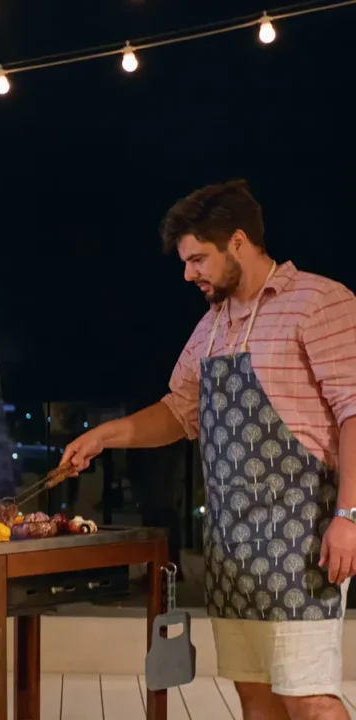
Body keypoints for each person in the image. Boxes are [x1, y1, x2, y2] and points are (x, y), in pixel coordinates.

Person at [62, 179, 356, 720]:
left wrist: (349, 516)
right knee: (254, 694)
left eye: (198, 259)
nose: (188, 273)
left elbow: (354, 412)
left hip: (302, 541)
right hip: (231, 548)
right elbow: (177, 412)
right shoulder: (212, 326)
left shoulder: (319, 301)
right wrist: (105, 436)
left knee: (308, 696)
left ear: (238, 243)